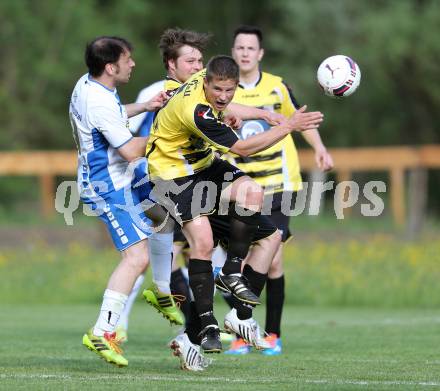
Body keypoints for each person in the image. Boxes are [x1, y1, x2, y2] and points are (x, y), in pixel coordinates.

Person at [145, 55, 324, 369]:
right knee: (201, 242)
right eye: (218, 90)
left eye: (229, 89)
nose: (223, 96)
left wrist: (264, 114)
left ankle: (237, 304)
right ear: (206, 83)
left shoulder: (211, 77)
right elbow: (243, 149)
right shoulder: (196, 110)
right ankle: (203, 329)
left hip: (202, 166)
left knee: (268, 230)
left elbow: (229, 107)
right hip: (172, 174)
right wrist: (288, 125)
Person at [221, 25, 334, 356]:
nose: (244, 53)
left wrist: (320, 148)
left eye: (250, 48)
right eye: (239, 47)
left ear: (260, 54)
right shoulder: (225, 91)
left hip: (280, 183)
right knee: (243, 259)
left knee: (272, 257)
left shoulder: (277, 86)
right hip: (242, 185)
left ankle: (270, 334)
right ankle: (245, 330)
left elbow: (300, 120)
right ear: (233, 52)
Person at [69, 36, 174, 367]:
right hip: (107, 186)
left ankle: (162, 290)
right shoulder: (97, 101)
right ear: (110, 67)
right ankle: (102, 332)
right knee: (135, 256)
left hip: (125, 176)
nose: (133, 64)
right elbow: (129, 150)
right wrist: (173, 134)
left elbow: (113, 115)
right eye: (127, 59)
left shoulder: (92, 86)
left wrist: (146, 106)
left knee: (168, 209)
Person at [115, 28, 212, 341]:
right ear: (171, 65)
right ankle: (119, 325)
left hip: (187, 181)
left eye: (200, 60)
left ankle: (192, 329)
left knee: (182, 255)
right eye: (191, 61)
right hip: (151, 181)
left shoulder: (203, 93)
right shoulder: (158, 93)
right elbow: (124, 135)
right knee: (147, 258)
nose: (198, 67)